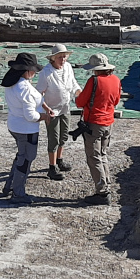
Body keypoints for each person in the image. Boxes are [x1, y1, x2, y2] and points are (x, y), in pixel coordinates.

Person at [1, 52, 52, 204]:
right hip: (26, 129)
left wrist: (44, 106)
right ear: (28, 71)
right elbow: (31, 116)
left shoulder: (14, 83)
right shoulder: (25, 89)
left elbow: (36, 97)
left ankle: (9, 187)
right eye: (34, 71)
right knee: (26, 159)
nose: (35, 73)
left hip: (15, 125)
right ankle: (18, 193)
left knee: (21, 156)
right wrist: (45, 116)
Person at [75, 53, 121, 205]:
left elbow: (80, 102)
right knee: (102, 154)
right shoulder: (115, 80)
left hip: (94, 123)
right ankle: (106, 185)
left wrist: (78, 95)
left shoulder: (94, 81)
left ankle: (102, 192)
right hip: (108, 122)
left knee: (94, 157)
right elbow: (116, 100)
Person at [35, 43, 82, 181]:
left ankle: (59, 160)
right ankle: (52, 166)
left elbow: (73, 84)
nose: (63, 59)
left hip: (65, 108)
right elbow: (38, 94)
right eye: (60, 57)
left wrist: (81, 95)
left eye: (64, 56)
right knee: (53, 138)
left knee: (63, 136)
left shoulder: (67, 67)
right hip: (52, 110)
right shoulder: (46, 72)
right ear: (53, 58)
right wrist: (46, 109)